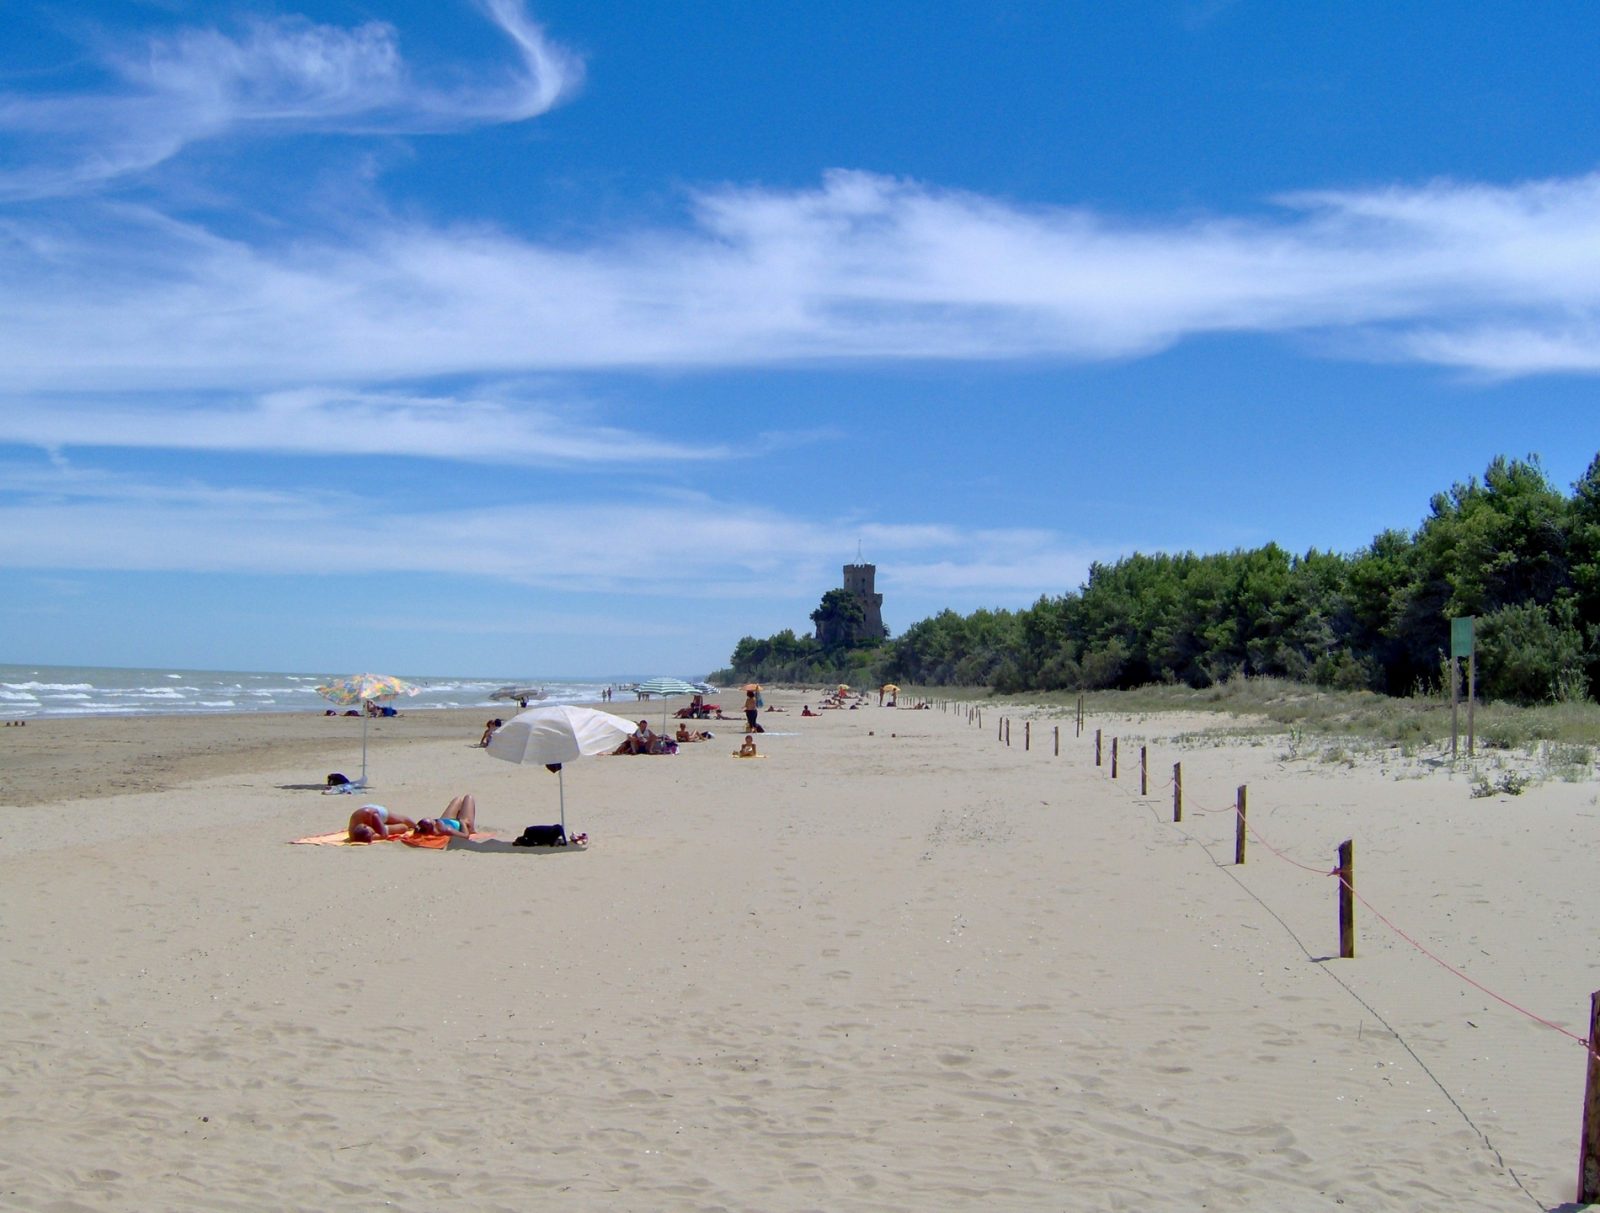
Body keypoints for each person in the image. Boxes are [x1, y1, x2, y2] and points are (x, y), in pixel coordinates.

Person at [347, 804, 416, 842]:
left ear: (365, 826)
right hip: (368, 816)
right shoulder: (354, 836)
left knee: (403, 821)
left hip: (376, 812)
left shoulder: (369, 814)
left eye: (372, 833)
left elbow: (383, 835)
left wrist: (378, 834)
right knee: (403, 828)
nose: (374, 833)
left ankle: (416, 826)